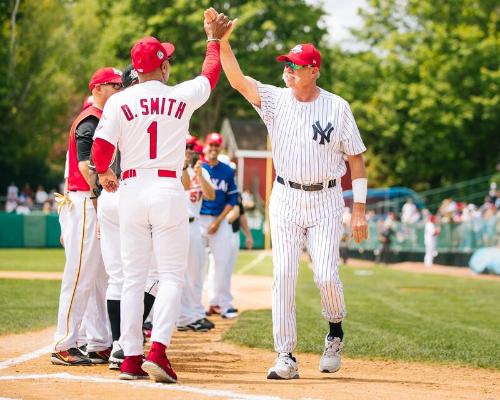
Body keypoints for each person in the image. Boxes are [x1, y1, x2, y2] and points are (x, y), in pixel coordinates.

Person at [216, 8, 369, 379]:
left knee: (327, 276)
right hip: (285, 197)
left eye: (296, 66)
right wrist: (221, 41)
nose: (288, 70)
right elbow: (237, 80)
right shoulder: (274, 99)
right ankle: (285, 355)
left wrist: (360, 210)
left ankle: (334, 332)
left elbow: (357, 160)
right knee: (283, 274)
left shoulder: (337, 107)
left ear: (314, 71)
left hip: (326, 200)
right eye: (287, 64)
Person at [91, 12, 232, 383]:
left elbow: (101, 152)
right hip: (168, 188)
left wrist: (105, 172)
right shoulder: (179, 95)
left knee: (134, 279)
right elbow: (210, 75)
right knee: (170, 276)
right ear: (164, 65)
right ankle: (158, 352)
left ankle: (130, 358)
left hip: (131, 190)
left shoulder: (118, 102)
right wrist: (213, 40)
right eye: (167, 59)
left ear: (135, 70)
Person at [51, 67, 122, 366]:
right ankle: (65, 343)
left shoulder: (102, 117)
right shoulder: (91, 118)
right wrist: (97, 198)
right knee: (79, 274)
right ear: (97, 88)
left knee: (98, 276)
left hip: (89, 201)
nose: (119, 88)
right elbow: (84, 165)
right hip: (83, 201)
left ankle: (98, 341)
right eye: (114, 84)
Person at [93, 65, 159, 370]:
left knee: (119, 277)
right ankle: (129, 341)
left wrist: (103, 173)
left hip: (110, 195)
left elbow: (99, 152)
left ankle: (120, 344)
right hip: (136, 194)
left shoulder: (115, 108)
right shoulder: (156, 106)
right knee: (157, 276)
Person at [176, 135, 216, 332]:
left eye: (192, 146)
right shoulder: (172, 168)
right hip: (175, 225)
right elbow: (182, 185)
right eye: (186, 146)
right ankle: (178, 316)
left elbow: (211, 195)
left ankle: (193, 315)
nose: (189, 149)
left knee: (196, 272)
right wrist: (183, 167)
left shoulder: (201, 170)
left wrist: (199, 175)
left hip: (194, 225)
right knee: (172, 274)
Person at [200, 133, 239, 319]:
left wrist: (218, 221)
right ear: (206, 146)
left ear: (220, 148)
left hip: (220, 220)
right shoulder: (198, 167)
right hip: (199, 220)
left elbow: (232, 199)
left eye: (217, 146)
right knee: (197, 265)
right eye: (211, 145)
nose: (213, 149)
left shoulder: (227, 171)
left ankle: (224, 304)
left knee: (222, 264)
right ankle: (194, 307)